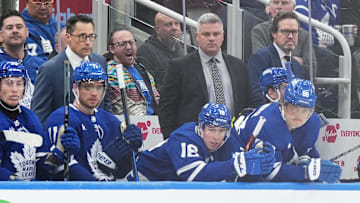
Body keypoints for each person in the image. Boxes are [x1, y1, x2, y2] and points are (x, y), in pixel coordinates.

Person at [128, 102, 275, 181]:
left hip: (172, 187)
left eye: (221, 130)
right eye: (211, 129)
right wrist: (237, 164)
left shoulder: (227, 140)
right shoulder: (184, 137)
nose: (216, 137)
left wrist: (261, 161)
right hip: (144, 181)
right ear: (200, 127)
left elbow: (240, 171)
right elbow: (194, 176)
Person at [45, 62, 143, 181]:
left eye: (99, 87)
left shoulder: (110, 121)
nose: (94, 93)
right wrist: (97, 190)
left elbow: (121, 172)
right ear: (75, 88)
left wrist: (135, 147)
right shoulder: (62, 118)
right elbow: (58, 169)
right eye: (88, 87)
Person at [159, 13, 251, 139]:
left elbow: (248, 103)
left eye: (216, 34)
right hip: (193, 139)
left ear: (223, 36)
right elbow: (166, 108)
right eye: (206, 34)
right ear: (197, 36)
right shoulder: (179, 67)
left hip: (233, 138)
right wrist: (172, 140)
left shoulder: (239, 66)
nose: (211, 38)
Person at [233, 78, 342, 183]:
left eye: (305, 110)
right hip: (237, 166)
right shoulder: (266, 122)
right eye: (294, 109)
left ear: (312, 110)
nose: (299, 116)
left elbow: (305, 152)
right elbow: (270, 173)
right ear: (283, 104)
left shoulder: (312, 122)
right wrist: (307, 172)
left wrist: (314, 166)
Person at [31, 15, 108, 126]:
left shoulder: (100, 61)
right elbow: (40, 115)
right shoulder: (50, 69)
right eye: (82, 36)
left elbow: (105, 103)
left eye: (91, 36)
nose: (87, 42)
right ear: (68, 37)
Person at [0, 61, 54, 181]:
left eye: (19, 84)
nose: (14, 90)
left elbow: (41, 161)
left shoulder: (30, 116)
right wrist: (15, 183)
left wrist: (58, 155)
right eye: (9, 84)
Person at [247, 11, 304, 107]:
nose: (290, 36)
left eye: (294, 32)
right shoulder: (260, 58)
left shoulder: (296, 65)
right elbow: (257, 95)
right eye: (285, 31)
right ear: (274, 33)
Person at [251, 0, 316, 79]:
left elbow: (311, 70)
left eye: (284, 3)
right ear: (269, 6)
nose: (279, 7)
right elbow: (261, 62)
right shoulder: (259, 31)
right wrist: (295, 61)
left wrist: (281, 58)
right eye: (275, 3)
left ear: (293, 7)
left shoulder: (305, 35)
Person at [107, 28, 159, 116]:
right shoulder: (111, 73)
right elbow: (124, 109)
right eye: (122, 44)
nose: (128, 47)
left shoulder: (143, 70)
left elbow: (157, 99)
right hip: (138, 124)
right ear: (112, 49)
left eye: (131, 42)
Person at [0, 9, 45, 109]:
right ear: (1, 35)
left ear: (27, 32)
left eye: (19, 27)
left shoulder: (42, 65)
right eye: (9, 28)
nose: (15, 30)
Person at [137, 12, 185, 94]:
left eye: (176, 24)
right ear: (157, 29)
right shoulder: (146, 51)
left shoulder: (181, 49)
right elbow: (149, 86)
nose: (174, 28)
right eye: (168, 25)